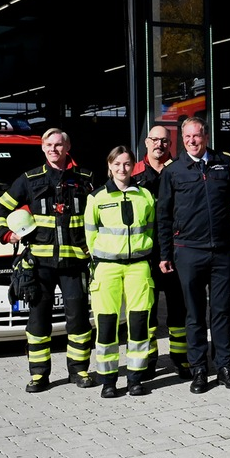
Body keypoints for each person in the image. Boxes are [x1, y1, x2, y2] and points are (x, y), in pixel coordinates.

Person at [0, 128, 95, 393]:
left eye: (58, 145)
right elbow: (0, 207)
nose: (53, 149)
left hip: (75, 264)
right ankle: (39, 375)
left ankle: (79, 371)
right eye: (49, 145)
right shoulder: (30, 179)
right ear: (42, 147)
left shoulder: (85, 179)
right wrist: (6, 234)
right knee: (38, 322)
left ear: (67, 147)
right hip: (40, 265)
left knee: (79, 321)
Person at [156, 117, 230, 394]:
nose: (192, 141)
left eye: (196, 136)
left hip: (222, 250)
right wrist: (165, 253)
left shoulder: (224, 163)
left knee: (221, 312)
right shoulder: (173, 170)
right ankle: (199, 370)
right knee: (194, 314)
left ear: (206, 136)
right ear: (182, 140)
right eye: (187, 137)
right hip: (188, 251)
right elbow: (164, 215)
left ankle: (225, 367)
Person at [85, 146, 156, 398]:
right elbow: (90, 234)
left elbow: (150, 229)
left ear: (133, 166)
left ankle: (135, 378)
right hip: (107, 267)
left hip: (138, 266)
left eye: (126, 164)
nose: (122, 169)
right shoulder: (96, 198)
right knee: (106, 325)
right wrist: (104, 255)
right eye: (117, 164)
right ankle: (109, 381)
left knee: (139, 323)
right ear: (109, 166)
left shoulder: (145, 196)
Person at [132, 124, 190, 379]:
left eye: (164, 141)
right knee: (147, 310)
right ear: (146, 142)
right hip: (144, 253)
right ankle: (149, 360)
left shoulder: (179, 170)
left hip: (176, 251)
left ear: (170, 144)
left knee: (179, 308)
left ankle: (181, 358)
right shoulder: (132, 173)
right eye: (155, 140)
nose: (159, 144)